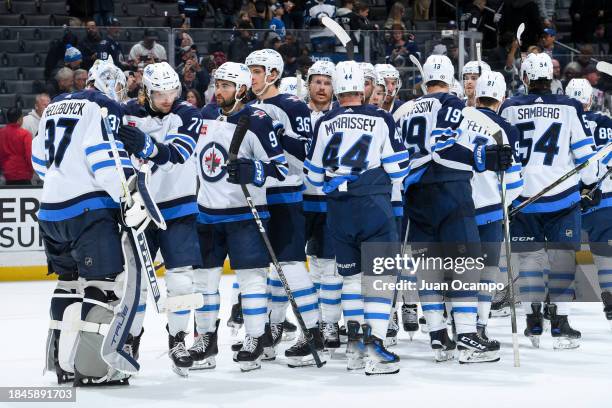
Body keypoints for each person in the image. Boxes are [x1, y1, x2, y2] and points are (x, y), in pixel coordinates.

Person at [32, 59, 144, 386]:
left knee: (68, 282)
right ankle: (93, 368)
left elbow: (39, 161)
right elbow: (104, 158)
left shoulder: (55, 105)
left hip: (51, 209)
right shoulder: (103, 107)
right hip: (88, 210)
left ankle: (61, 363)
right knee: (102, 285)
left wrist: (64, 176)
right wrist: (126, 196)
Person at [398, 54, 511, 363]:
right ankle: (466, 336)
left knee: (428, 268)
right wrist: (482, 158)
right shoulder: (451, 104)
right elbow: (442, 146)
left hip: (414, 194)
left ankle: (437, 335)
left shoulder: (402, 109)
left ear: (423, 80)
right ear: (451, 79)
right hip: (450, 189)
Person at [305, 61, 409, 374]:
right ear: (362, 89)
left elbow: (311, 177)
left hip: (338, 211)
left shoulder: (324, 121)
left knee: (349, 278)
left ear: (336, 88)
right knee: (379, 278)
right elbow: (398, 169)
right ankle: (374, 345)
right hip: (373, 207)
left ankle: (354, 347)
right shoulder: (380, 118)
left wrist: (339, 179)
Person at [500, 52, 599, 350]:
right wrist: (592, 180)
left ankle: (533, 318)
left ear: (526, 78)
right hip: (563, 198)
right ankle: (561, 323)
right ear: (552, 78)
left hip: (522, 198)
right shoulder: (569, 106)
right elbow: (586, 157)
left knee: (530, 258)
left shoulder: (509, 107)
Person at [194, 61, 289, 371]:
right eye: (217, 85)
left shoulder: (258, 121)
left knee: (250, 281)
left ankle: (255, 338)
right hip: (207, 214)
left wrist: (255, 169)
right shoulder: (205, 116)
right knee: (204, 281)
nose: (218, 91)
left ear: (242, 89)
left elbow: (281, 169)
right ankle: (205, 339)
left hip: (245, 216)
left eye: (225, 86)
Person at [119, 62, 203, 375]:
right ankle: (130, 338)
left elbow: (177, 154)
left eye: (172, 91)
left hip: (177, 207)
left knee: (181, 279)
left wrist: (146, 146)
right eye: (160, 92)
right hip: (139, 206)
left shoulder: (188, 113)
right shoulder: (126, 111)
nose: (168, 98)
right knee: (135, 282)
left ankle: (178, 338)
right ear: (146, 91)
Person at [245, 49, 323, 366]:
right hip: (259, 197)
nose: (251, 77)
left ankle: (313, 330)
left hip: (288, 195)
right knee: (264, 270)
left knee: (290, 264)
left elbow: (307, 151)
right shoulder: (248, 108)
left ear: (273, 74)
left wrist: (281, 135)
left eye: (257, 71)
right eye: (249, 71)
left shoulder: (292, 106)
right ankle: (270, 327)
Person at [458, 70, 523, 340]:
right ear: (503, 99)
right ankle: (480, 325)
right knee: (486, 272)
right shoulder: (507, 129)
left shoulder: (459, 118)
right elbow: (516, 182)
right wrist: (506, 204)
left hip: (457, 207)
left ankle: (458, 325)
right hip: (491, 210)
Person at [565, 78, 612, 327]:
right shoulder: (606, 123)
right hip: (604, 201)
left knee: (559, 253)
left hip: (567, 201)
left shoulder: (562, 120)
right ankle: (610, 298)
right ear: (591, 100)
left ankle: (557, 301)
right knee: (606, 252)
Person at [301, 60, 339, 350]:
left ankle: (328, 323)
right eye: (317, 81)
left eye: (327, 82)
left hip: (329, 202)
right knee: (299, 267)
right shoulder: (296, 114)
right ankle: (306, 324)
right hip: (298, 201)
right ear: (308, 84)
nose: (322, 87)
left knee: (328, 266)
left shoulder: (342, 118)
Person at [0, 108, 33, 185]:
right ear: (20, 119)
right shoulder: (25, 134)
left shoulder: (1, 133)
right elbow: (29, 155)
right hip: (23, 174)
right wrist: (32, 170)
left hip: (7, 173)